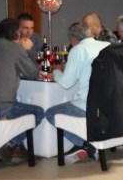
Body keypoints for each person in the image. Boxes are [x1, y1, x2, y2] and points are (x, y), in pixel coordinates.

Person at [46, 22, 110, 163]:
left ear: (73, 39)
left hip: (88, 106)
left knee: (50, 112)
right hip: (110, 104)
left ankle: (85, 144)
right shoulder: (107, 46)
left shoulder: (78, 50)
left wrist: (56, 71)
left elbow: (66, 83)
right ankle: (89, 144)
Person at [0, 18, 44, 163]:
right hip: (3, 108)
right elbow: (33, 74)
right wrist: (27, 50)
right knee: (38, 112)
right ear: (16, 33)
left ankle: (17, 148)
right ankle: (8, 144)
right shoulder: (15, 48)